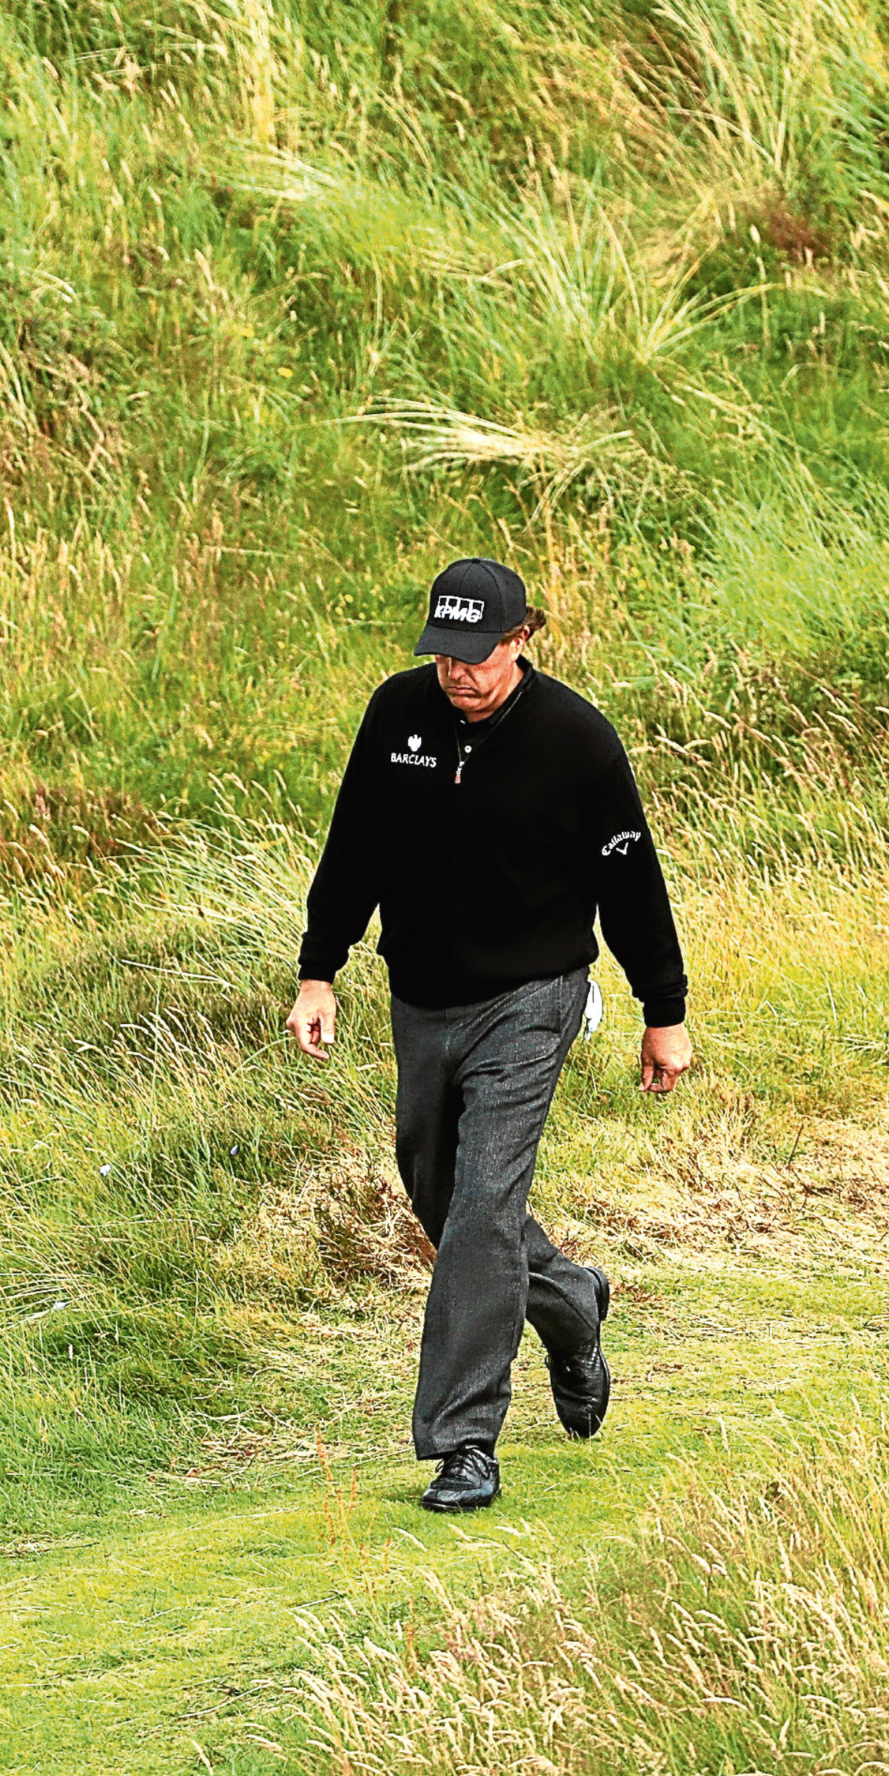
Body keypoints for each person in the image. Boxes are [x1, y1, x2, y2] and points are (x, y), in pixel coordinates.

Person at [287, 557, 695, 1513]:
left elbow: (632, 885)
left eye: (477, 655)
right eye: (444, 654)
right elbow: (354, 847)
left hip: (532, 997)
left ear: (520, 640)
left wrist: (662, 1009)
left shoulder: (577, 742)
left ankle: (464, 1438)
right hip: (420, 998)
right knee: (440, 1193)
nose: (457, 673)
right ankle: (569, 1303)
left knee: (481, 1204)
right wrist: (320, 968)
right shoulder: (398, 717)